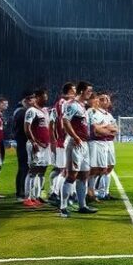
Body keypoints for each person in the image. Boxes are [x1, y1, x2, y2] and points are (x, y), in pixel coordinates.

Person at [60, 81, 96, 217]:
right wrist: (75, 137)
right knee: (72, 175)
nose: (90, 93)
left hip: (84, 144)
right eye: (88, 91)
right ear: (81, 91)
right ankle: (63, 207)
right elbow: (65, 121)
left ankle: (82, 206)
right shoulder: (73, 105)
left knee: (84, 175)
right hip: (75, 143)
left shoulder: (82, 106)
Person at [48, 83, 75, 205]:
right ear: (69, 92)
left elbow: (52, 124)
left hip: (59, 141)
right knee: (65, 171)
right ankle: (55, 193)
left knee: (61, 169)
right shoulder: (65, 104)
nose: (75, 93)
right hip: (64, 141)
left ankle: (59, 192)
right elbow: (64, 122)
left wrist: (54, 139)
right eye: (74, 91)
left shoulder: (56, 105)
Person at [23, 89, 50, 208]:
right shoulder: (31, 111)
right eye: (44, 97)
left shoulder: (44, 111)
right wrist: (33, 141)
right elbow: (27, 127)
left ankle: (37, 196)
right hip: (36, 144)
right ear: (38, 97)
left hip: (45, 145)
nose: (46, 99)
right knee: (33, 170)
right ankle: (28, 197)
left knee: (42, 170)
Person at [91, 91, 119, 200]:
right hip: (99, 142)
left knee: (110, 166)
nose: (107, 101)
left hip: (109, 143)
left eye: (107, 99)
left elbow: (115, 129)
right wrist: (108, 129)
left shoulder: (109, 114)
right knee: (99, 169)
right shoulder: (95, 113)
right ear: (99, 101)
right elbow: (97, 130)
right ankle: (95, 192)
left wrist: (106, 128)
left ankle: (105, 192)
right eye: (104, 99)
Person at [12, 91, 35, 201]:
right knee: (23, 167)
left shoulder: (24, 111)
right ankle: (20, 193)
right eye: (30, 99)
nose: (33, 101)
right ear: (25, 101)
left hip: (24, 142)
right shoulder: (22, 112)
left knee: (27, 167)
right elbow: (24, 130)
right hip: (23, 143)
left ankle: (25, 191)